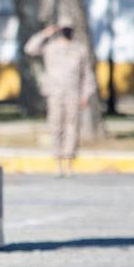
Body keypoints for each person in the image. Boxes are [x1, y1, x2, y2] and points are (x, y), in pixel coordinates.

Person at [23, 21, 96, 177]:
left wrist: (85, 95)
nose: (66, 31)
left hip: (73, 93)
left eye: (69, 29)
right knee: (56, 126)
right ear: (59, 30)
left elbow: (87, 74)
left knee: (72, 128)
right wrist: (45, 33)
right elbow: (29, 48)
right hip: (55, 93)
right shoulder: (51, 46)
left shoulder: (79, 49)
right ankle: (58, 164)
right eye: (64, 29)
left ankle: (69, 163)